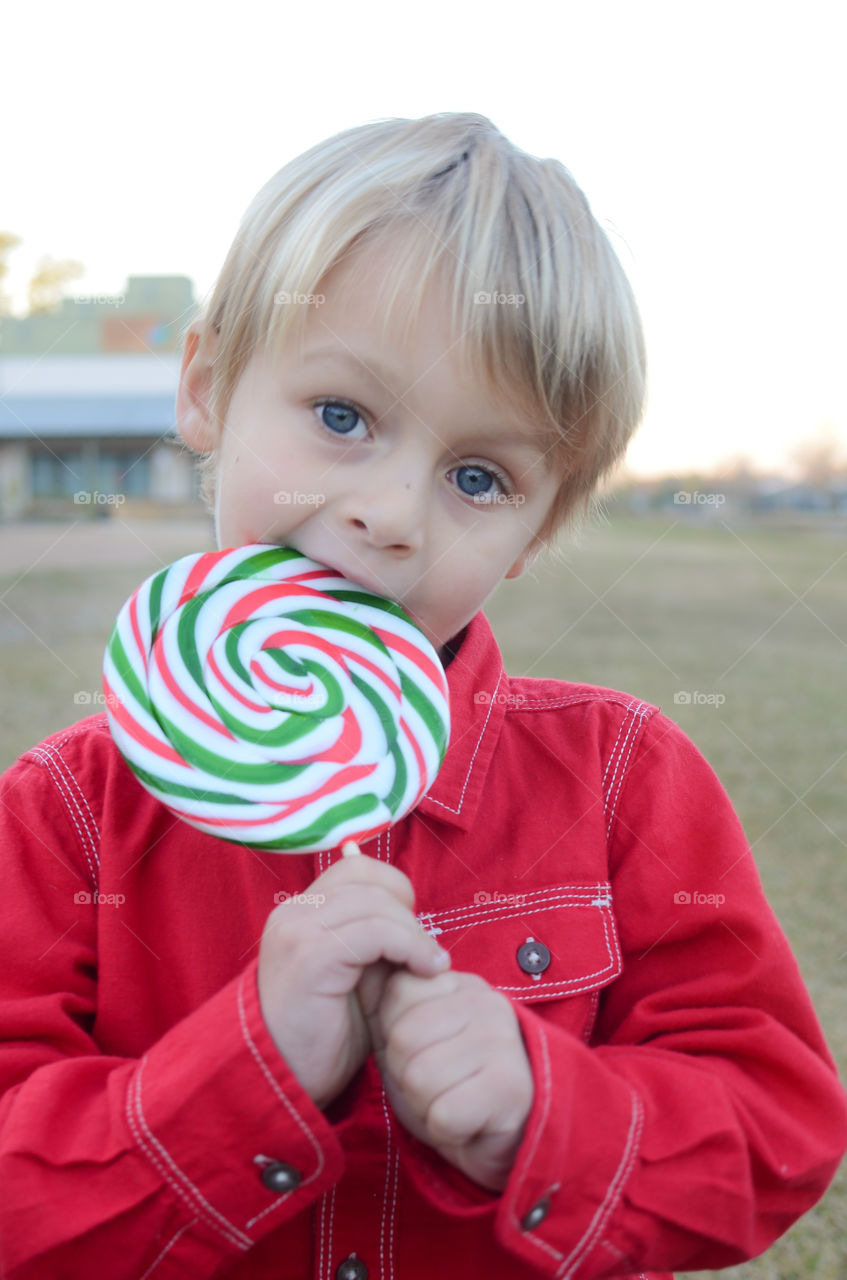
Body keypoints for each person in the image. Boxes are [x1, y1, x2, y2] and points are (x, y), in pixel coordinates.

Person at [0, 113, 844, 1280]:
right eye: (342, 417)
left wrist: (539, 1110)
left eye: (478, 476)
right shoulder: (62, 818)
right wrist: (244, 1069)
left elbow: (775, 1130)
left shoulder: (623, 780)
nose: (393, 512)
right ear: (206, 387)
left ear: (534, 530)